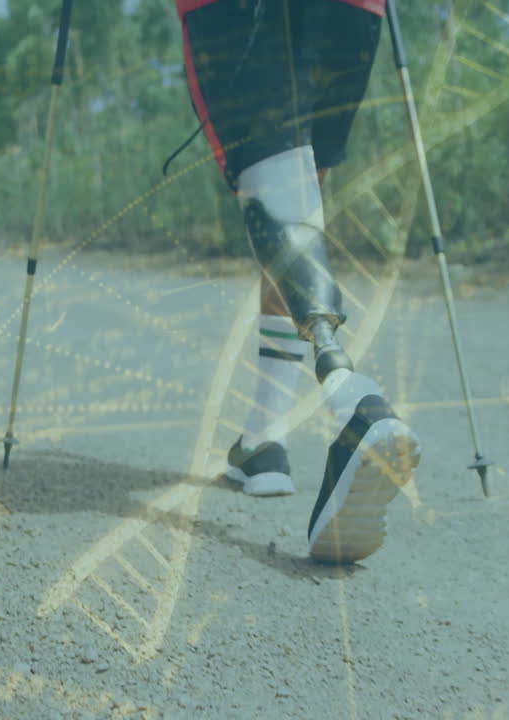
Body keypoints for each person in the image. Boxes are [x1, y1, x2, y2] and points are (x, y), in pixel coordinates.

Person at [174, 0, 420, 563]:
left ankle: (352, 402)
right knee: (299, 200)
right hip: (353, 11)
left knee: (279, 202)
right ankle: (263, 439)